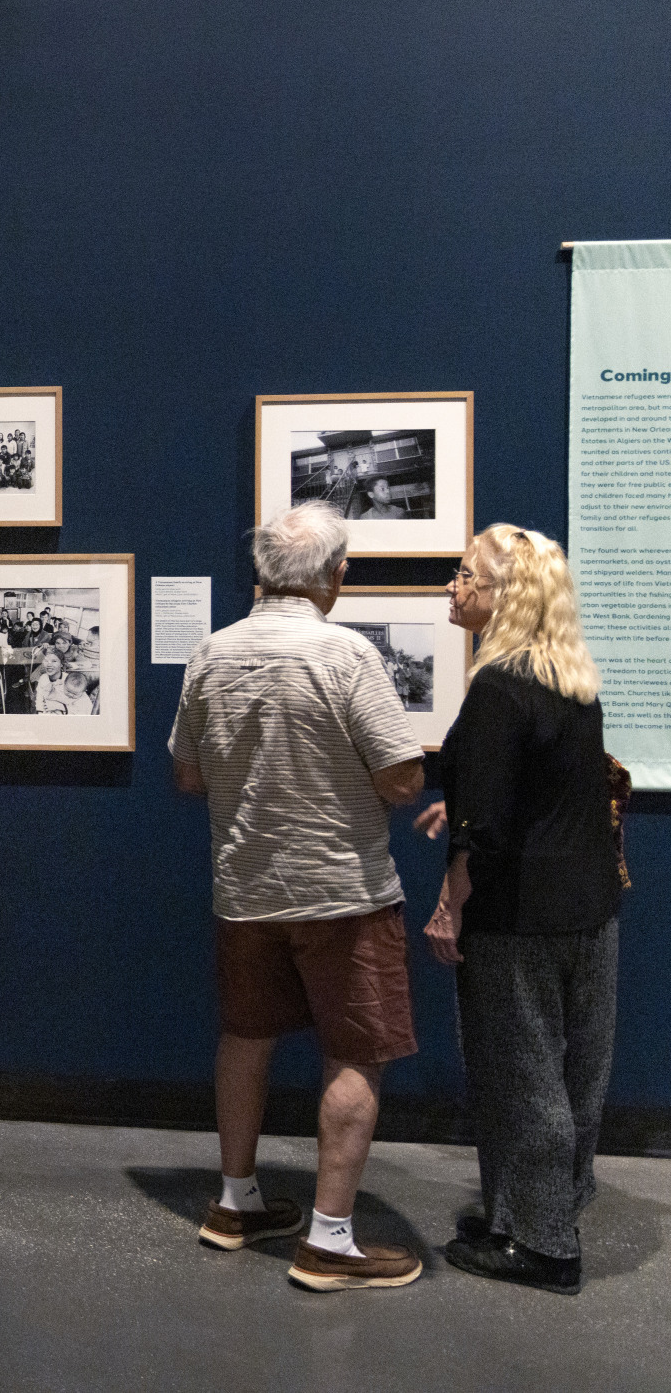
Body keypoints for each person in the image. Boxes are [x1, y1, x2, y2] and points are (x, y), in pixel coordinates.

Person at [169, 500, 427, 1293]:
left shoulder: (213, 652)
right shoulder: (346, 655)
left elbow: (186, 776)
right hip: (342, 894)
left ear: (261, 573)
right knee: (354, 1052)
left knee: (246, 1037)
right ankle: (329, 1241)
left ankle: (235, 1201)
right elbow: (401, 775)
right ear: (334, 575)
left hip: (245, 889)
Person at [414, 526, 623, 1295]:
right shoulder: (569, 677)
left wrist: (448, 906)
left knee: (521, 1076)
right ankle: (528, 1212)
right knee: (576, 1076)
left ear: (505, 596)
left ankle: (542, 1247)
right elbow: (545, 790)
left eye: (465, 575)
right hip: (587, 912)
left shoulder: (499, 686)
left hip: (519, 917)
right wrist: (461, 803)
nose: (452, 587)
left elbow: (491, 829)